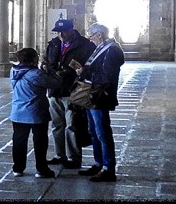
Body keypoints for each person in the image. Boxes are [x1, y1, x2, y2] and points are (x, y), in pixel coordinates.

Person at [73, 22, 125, 182]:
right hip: (93, 94)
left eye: (91, 36)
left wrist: (88, 75)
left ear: (99, 35)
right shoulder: (102, 47)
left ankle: (108, 168)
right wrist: (85, 71)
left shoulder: (112, 50)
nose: (90, 40)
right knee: (94, 131)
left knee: (102, 131)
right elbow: (97, 69)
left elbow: (107, 76)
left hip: (100, 95)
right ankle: (98, 163)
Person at [42, 18, 96, 170]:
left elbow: (90, 65)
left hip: (73, 89)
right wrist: (46, 66)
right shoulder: (53, 43)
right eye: (58, 32)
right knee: (56, 124)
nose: (61, 35)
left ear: (71, 30)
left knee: (72, 124)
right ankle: (60, 155)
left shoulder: (85, 45)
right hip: (54, 89)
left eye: (64, 31)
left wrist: (73, 72)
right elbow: (48, 59)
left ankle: (73, 157)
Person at [9, 47, 60, 178]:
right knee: (40, 141)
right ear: (33, 59)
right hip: (36, 112)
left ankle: (18, 168)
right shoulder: (36, 74)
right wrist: (50, 71)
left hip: (18, 112)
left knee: (19, 140)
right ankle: (41, 169)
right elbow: (56, 83)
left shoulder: (14, 70)